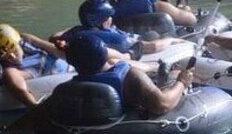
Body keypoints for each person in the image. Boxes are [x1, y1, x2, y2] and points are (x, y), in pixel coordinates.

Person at [66, 33, 194, 115]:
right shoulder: (130, 76)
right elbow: (162, 104)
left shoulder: (70, 87)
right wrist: (182, 82)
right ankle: (171, 75)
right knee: (175, 75)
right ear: (104, 52)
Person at [57, 0, 188, 60]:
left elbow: (56, 36)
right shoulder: (115, 39)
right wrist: (170, 40)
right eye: (109, 17)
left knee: (151, 34)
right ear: (102, 21)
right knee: (152, 35)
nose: (111, 19)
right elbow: (152, 47)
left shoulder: (73, 32)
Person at [0, 23, 68, 108]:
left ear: (19, 43)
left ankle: (78, 29)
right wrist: (35, 106)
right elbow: (20, 89)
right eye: (6, 56)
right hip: (49, 70)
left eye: (14, 51)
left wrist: (69, 52)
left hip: (56, 60)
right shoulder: (10, 71)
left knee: (55, 37)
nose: (12, 57)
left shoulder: (25, 39)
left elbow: (54, 50)